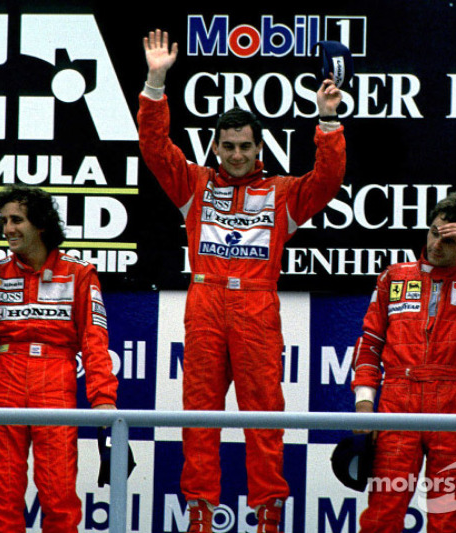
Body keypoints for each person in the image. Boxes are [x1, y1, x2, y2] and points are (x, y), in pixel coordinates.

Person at [138, 29, 347, 533]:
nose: (236, 155)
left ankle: (269, 517)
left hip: (256, 306)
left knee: (264, 414)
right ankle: (199, 516)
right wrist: (155, 81)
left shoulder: (282, 194)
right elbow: (154, 145)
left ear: (259, 147)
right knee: (199, 415)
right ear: (215, 146)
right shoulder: (194, 185)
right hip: (205, 301)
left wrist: (327, 119)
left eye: (245, 146)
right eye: (227, 146)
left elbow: (328, 179)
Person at [351, 191, 456, 532]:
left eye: (449, 239)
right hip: (398, 401)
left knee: (448, 519)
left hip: (454, 403)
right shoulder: (394, 277)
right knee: (382, 514)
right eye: (433, 232)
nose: (435, 244)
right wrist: (363, 404)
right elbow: (370, 345)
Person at [0, 185, 117, 533]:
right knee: (3, 493)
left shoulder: (79, 273)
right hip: (6, 379)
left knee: (59, 495)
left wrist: (103, 401)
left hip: (55, 378)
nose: (8, 228)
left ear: (41, 225)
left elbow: (95, 341)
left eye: (17, 220)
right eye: (4, 220)